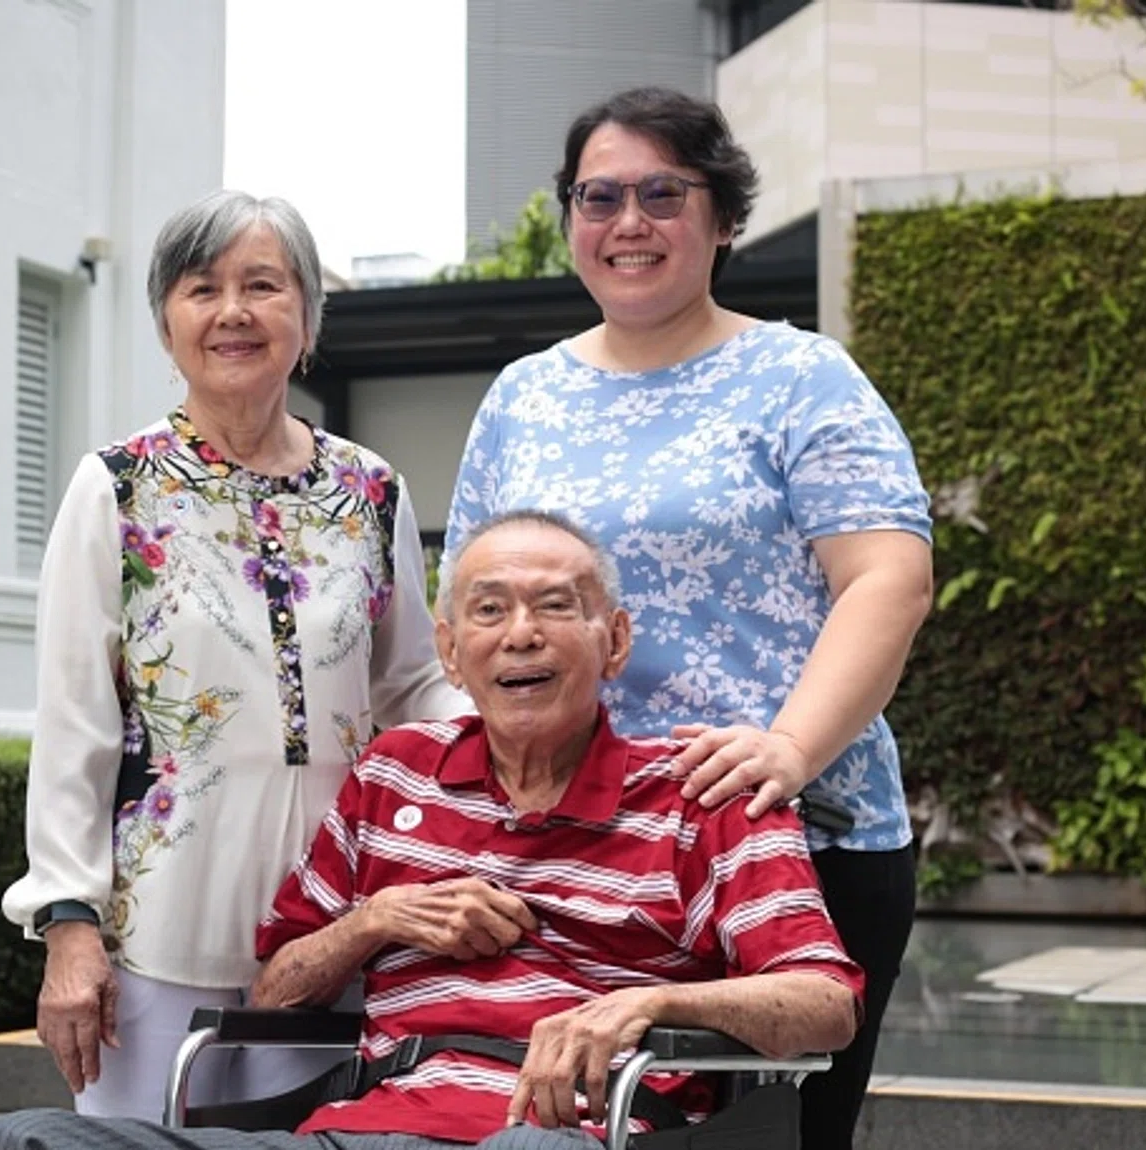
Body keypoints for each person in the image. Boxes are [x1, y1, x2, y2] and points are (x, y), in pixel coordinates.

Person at [0, 510, 862, 1150]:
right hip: (369, 1125)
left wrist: (648, 1005)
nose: (521, 635)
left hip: (577, 1131)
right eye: (489, 609)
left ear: (615, 641)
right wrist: (377, 920)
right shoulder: (395, 770)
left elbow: (827, 1005)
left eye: (557, 606)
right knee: (27, 1141)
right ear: (447, 651)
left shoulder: (701, 792)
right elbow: (276, 993)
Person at [443, 87, 934, 1150]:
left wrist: (790, 750)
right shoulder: (522, 397)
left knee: (769, 1142)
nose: (629, 222)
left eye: (663, 193)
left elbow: (888, 578)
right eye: (600, 196)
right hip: (578, 857)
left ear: (721, 216)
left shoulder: (804, 378)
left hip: (792, 842)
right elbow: (470, 617)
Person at [0, 190, 470, 1119]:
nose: (233, 312)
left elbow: (413, 680)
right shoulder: (117, 488)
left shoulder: (370, 488)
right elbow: (73, 722)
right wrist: (67, 926)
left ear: (307, 316)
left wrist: (511, 748)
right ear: (166, 320)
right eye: (201, 288)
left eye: (264, 285)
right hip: (161, 930)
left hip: (337, 923)